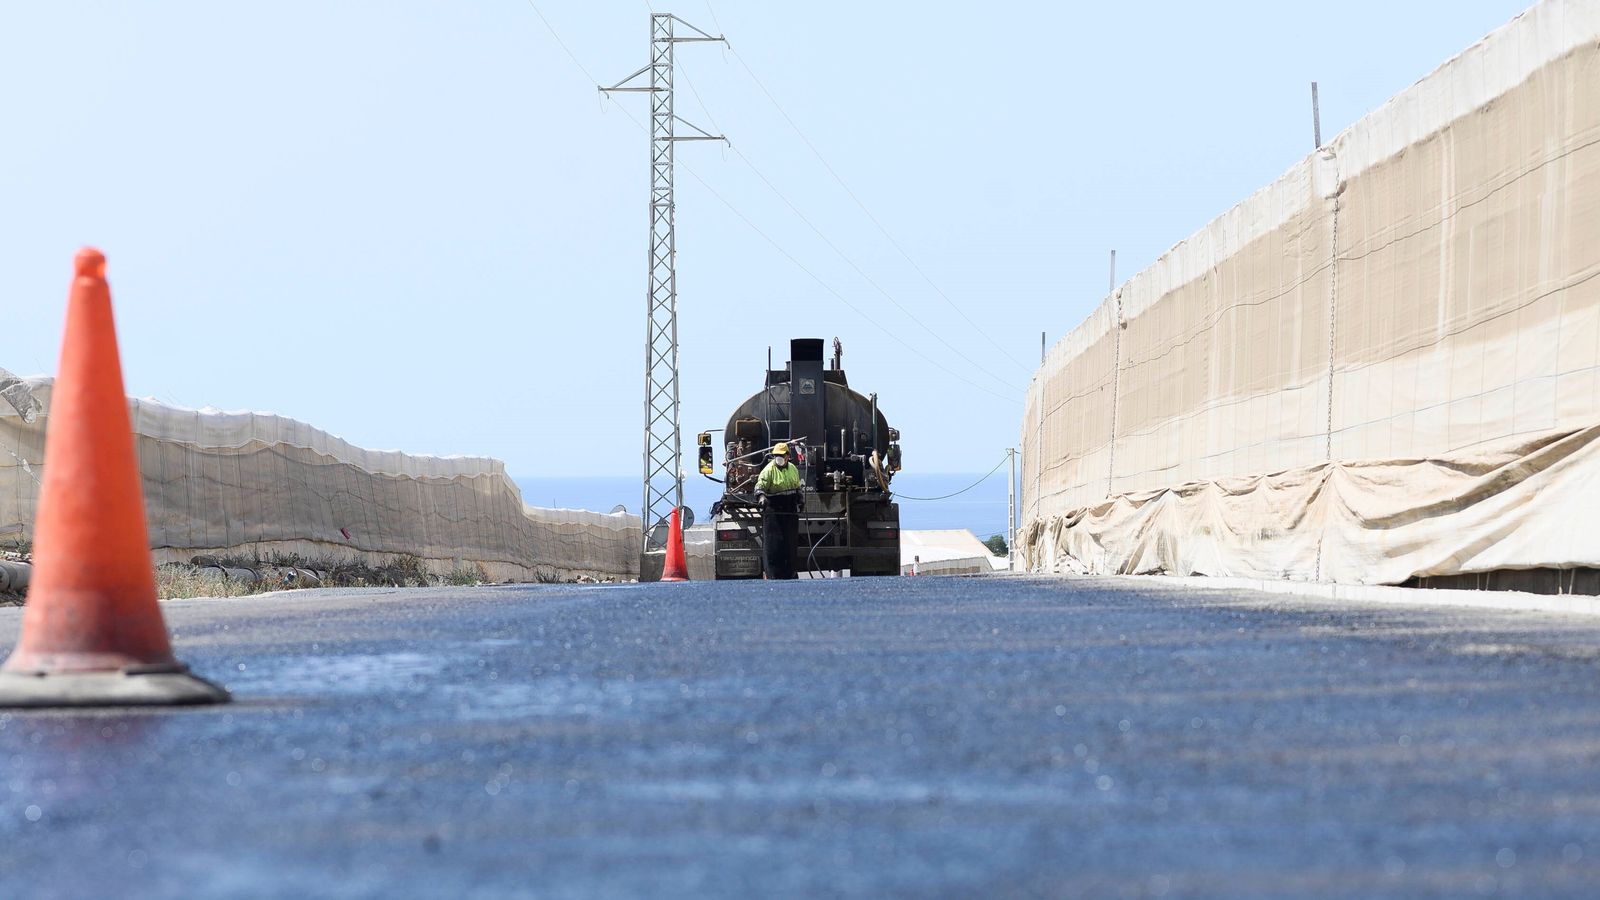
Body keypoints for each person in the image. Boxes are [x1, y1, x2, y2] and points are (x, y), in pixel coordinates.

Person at [755, 442, 802, 579]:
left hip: (790, 510)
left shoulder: (793, 469)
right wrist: (762, 497)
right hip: (774, 511)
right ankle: (773, 575)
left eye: (781, 455)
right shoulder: (768, 470)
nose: (779, 458)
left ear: (788, 456)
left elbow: (797, 488)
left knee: (790, 544)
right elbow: (759, 487)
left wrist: (800, 500)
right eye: (776, 455)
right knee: (774, 545)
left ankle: (790, 573)